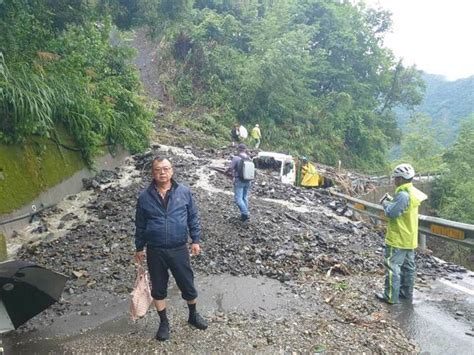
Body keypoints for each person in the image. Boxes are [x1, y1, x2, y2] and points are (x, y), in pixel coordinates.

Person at [134, 157, 208, 341]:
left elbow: (193, 217)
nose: (162, 172)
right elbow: (140, 224)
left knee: (187, 284)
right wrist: (139, 247)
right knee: (158, 288)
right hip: (155, 250)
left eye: (166, 168)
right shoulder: (144, 197)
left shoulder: (183, 192)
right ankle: (164, 323)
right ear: (153, 172)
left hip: (178, 248)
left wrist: (196, 240)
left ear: (172, 171)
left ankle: (193, 315)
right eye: (158, 169)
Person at [376, 163, 427, 305]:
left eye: (395, 178)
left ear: (400, 179)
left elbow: (392, 213)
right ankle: (406, 293)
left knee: (392, 267)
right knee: (408, 268)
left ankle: (390, 296)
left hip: (398, 237)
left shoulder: (402, 194)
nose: (394, 180)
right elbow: (403, 210)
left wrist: (386, 204)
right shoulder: (412, 192)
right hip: (409, 237)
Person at [227, 143, 252, 222]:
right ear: (245, 150)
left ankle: (245, 213)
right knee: (245, 197)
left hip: (239, 180)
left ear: (238, 149)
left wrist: (227, 171)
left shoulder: (236, 158)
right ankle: (244, 215)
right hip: (248, 180)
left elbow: (230, 168)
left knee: (238, 199)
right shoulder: (249, 158)